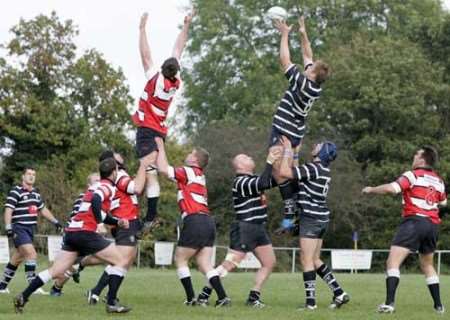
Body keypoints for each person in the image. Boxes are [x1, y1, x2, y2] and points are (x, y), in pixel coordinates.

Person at [12, 157, 149, 314]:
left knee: (55, 271)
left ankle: (24, 296)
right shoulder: (107, 187)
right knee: (122, 260)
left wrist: (117, 222)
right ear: (114, 172)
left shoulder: (93, 187)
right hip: (85, 233)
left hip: (72, 233)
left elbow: (98, 210)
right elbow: (97, 201)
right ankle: (111, 302)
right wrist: (99, 224)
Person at [362, 146, 446, 314]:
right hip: (432, 225)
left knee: (392, 263)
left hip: (414, 222)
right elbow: (443, 202)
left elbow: (391, 189)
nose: (413, 156)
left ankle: (389, 304)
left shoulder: (412, 174)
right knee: (428, 265)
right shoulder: (439, 180)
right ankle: (439, 306)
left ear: (422, 160)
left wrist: (371, 189)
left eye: (416, 154)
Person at [132, 11, 194, 233]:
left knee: (148, 173)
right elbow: (179, 48)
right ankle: (150, 214)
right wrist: (186, 25)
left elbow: (145, 55)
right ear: (175, 72)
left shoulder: (154, 79)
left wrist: (142, 30)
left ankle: (148, 215)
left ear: (162, 71)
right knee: (154, 172)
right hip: (159, 130)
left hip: (147, 130)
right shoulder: (176, 82)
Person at [197, 147, 281, 308]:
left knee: (269, 262)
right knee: (230, 264)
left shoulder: (253, 179)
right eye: (245, 157)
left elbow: (275, 180)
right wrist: (269, 161)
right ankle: (204, 295)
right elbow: (263, 182)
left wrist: (282, 159)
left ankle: (253, 297)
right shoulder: (241, 182)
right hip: (245, 228)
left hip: (258, 228)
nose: (250, 156)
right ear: (241, 166)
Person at [155, 137, 230, 307]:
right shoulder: (199, 176)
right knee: (205, 264)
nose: (188, 155)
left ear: (195, 159)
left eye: (191, 153)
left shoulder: (189, 171)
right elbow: (174, 177)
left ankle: (191, 298)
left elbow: (163, 169)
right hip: (208, 222)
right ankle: (223, 297)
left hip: (195, 219)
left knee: (180, 259)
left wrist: (160, 145)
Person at [272, 17, 330, 227]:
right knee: (292, 170)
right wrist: (303, 33)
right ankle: (297, 206)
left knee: (279, 173)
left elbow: (285, 62)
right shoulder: (315, 85)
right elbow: (307, 54)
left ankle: (291, 212)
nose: (308, 65)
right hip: (296, 131)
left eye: (310, 67)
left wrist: (285, 34)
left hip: (284, 129)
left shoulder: (303, 83)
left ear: (312, 73)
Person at [278, 137, 349, 311]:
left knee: (306, 260)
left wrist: (287, 149)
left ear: (322, 152)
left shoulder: (314, 168)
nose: (315, 145)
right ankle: (339, 293)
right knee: (315, 259)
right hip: (321, 218)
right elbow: (296, 171)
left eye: (319, 145)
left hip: (311, 218)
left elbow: (285, 173)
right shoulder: (321, 169)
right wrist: (295, 152)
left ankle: (311, 304)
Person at [86, 151, 147, 304]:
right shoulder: (118, 175)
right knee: (121, 260)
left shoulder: (117, 175)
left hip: (125, 220)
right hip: (125, 220)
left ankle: (98, 292)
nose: (121, 157)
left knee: (125, 260)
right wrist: (144, 166)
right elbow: (137, 188)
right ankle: (109, 299)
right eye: (116, 156)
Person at [0, 167, 62, 295]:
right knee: (32, 255)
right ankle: (33, 287)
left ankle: (2, 286)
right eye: (29, 174)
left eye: (34, 174)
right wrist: (8, 227)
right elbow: (8, 210)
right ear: (23, 176)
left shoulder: (35, 194)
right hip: (19, 228)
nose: (31, 176)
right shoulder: (16, 191)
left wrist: (56, 222)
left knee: (17, 258)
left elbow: (43, 210)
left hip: (30, 230)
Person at [49, 173, 103, 296]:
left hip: (87, 234)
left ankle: (57, 287)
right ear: (89, 185)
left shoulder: (100, 196)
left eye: (101, 180)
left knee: (75, 265)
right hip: (77, 234)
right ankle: (55, 287)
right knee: (65, 267)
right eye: (96, 181)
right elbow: (78, 218)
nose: (100, 183)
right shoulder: (84, 197)